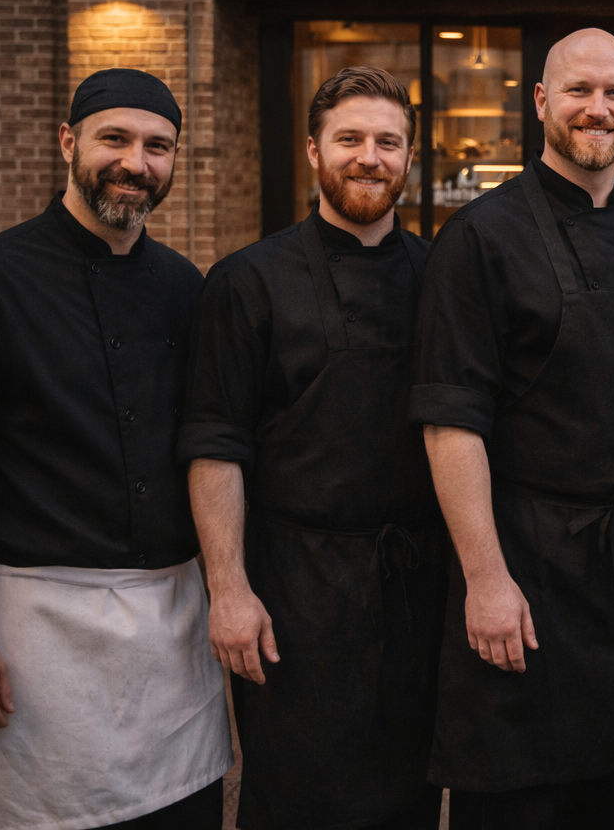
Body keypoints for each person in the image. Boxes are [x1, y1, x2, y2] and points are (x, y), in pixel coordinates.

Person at [0, 69, 231, 829]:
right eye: (114, 139)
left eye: (157, 146)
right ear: (67, 142)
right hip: (32, 637)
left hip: (170, 635)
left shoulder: (186, 288)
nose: (136, 162)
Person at [412, 28, 614, 829]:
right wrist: (486, 579)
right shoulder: (479, 236)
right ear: (540, 101)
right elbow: (450, 422)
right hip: (527, 573)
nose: (597, 109)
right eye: (578, 90)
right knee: (519, 806)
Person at [178, 67, 444, 830]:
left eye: (388, 142)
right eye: (349, 138)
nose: (370, 157)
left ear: (409, 157)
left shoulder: (441, 276)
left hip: (417, 583)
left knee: (410, 796)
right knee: (297, 797)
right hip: (294, 588)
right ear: (313, 150)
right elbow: (215, 443)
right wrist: (229, 591)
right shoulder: (248, 281)